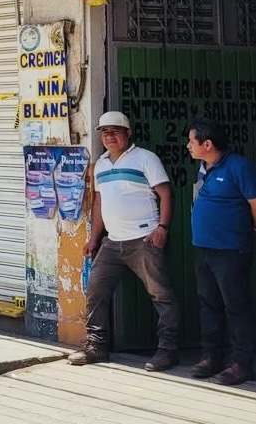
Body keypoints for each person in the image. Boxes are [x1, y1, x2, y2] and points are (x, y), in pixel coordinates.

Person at [68, 111, 180, 372]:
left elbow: (165, 193)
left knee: (161, 295)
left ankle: (167, 351)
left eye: (115, 131)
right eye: (105, 133)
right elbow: (99, 204)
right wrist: (94, 238)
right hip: (112, 242)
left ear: (128, 133)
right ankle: (97, 346)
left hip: (144, 239)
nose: (110, 137)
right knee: (95, 292)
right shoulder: (102, 164)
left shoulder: (146, 159)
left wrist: (163, 228)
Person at [185, 120, 256, 386]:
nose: (188, 145)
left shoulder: (239, 166)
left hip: (230, 249)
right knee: (209, 303)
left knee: (235, 305)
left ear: (207, 144)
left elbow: (254, 203)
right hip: (203, 248)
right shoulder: (203, 168)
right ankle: (212, 356)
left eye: (192, 141)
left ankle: (242, 363)